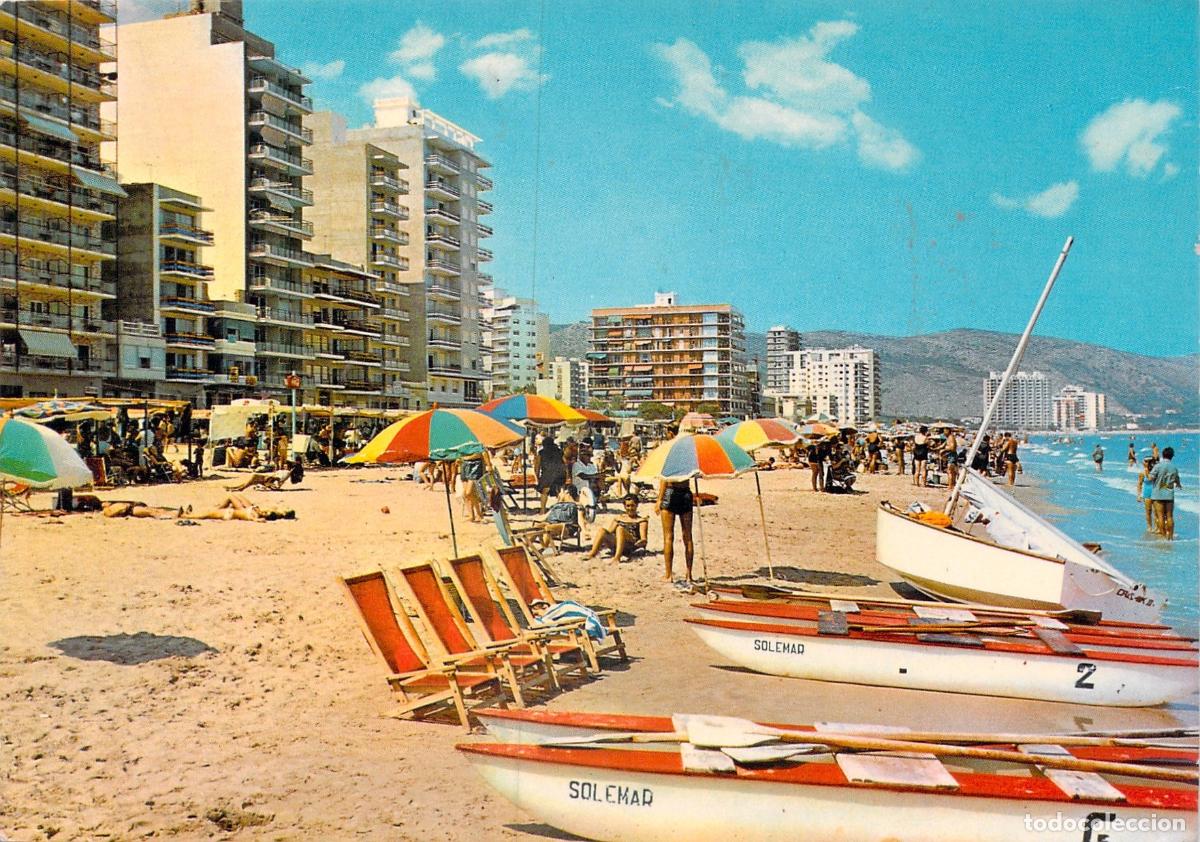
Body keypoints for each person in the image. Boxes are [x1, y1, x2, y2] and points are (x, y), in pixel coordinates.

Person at [586, 494, 648, 561]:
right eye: (628, 506)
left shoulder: (641, 521)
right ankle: (592, 553)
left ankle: (617, 558)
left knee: (620, 529)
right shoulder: (619, 518)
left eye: (632, 505)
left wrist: (642, 542)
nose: (630, 508)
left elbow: (643, 539)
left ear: (637, 505)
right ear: (624, 506)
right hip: (617, 544)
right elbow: (609, 532)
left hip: (631, 546)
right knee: (602, 530)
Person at [655, 478, 694, 583]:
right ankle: (689, 574)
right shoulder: (688, 465)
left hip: (670, 491)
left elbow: (664, 478)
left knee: (668, 537)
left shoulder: (668, 464)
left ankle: (668, 575)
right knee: (688, 536)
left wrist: (659, 499)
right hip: (685, 492)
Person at [530, 597, 608, 642]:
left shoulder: (551, 612)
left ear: (544, 607)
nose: (537, 616)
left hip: (582, 625)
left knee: (568, 608)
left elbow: (567, 607)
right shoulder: (545, 618)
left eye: (537, 613)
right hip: (581, 624)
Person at [1146, 447, 1182, 540]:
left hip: (1157, 494)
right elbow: (1177, 480)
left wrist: (1146, 470)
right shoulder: (1174, 467)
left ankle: (1164, 536)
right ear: (1172, 456)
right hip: (1169, 495)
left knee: (1160, 516)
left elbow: (1150, 478)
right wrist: (1178, 484)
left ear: (1162, 455)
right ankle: (1171, 537)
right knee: (1170, 516)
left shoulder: (1158, 466)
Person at [536, 485, 587, 549]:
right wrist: (534, 521)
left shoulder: (577, 506)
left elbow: (580, 520)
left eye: (561, 492)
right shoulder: (557, 505)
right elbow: (545, 517)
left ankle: (544, 548)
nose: (559, 494)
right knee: (537, 526)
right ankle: (526, 548)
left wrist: (585, 531)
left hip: (566, 528)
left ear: (567, 493)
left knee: (548, 527)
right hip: (553, 525)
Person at [535, 435, 566, 513]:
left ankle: (542, 510)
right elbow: (565, 463)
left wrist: (537, 477)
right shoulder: (559, 451)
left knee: (544, 491)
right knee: (559, 491)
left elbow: (537, 467)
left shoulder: (541, 453)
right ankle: (560, 510)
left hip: (547, 474)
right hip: (560, 473)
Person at [459, 454, 485, 523]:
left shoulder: (476, 447)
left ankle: (479, 514)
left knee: (469, 492)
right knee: (465, 494)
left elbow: (481, 453)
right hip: (464, 465)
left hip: (475, 465)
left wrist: (489, 465)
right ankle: (471, 515)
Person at [1135, 456, 1159, 532]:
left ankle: (1156, 527)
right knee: (1148, 511)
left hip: (1156, 494)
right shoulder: (1142, 473)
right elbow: (1139, 484)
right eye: (1145, 461)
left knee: (1156, 512)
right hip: (1147, 494)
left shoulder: (1155, 472)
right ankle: (1149, 527)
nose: (1146, 463)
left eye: (1148, 462)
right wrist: (1138, 495)